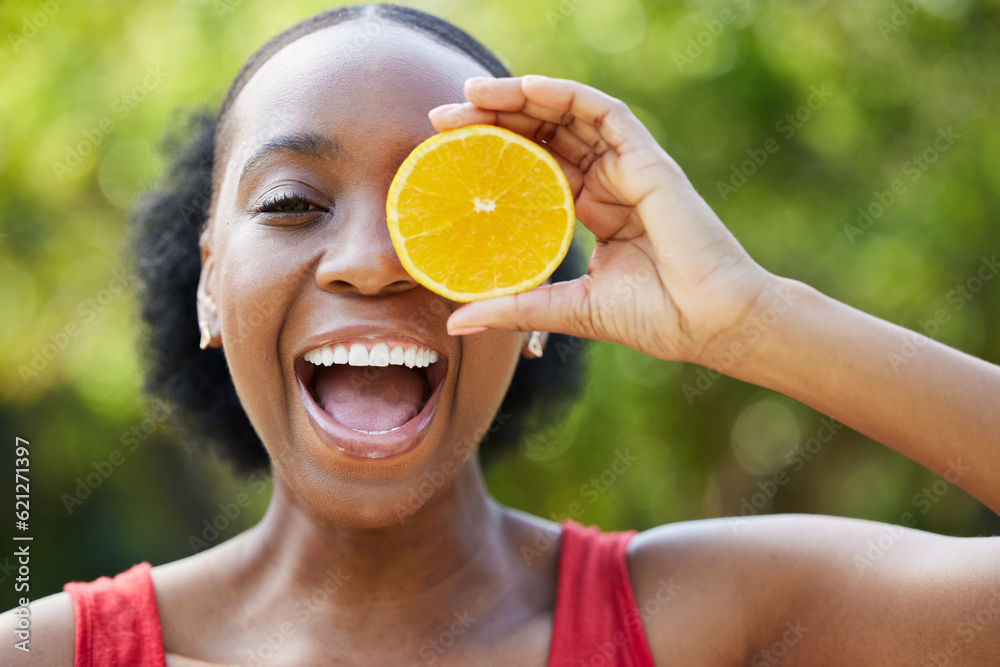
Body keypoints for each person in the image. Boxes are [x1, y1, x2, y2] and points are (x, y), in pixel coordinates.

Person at [4, 4, 999, 665]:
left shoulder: (701, 616)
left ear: (536, 292)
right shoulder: (44, 651)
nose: (373, 259)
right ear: (211, 286)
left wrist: (750, 319)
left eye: (442, 210)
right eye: (295, 202)